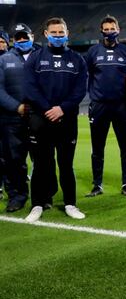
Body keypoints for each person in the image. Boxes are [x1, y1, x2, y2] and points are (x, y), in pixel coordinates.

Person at [24, 17, 88, 222]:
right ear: (46, 34)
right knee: (41, 164)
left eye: (61, 33)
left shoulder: (77, 60)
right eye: (54, 33)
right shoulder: (34, 58)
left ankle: (70, 203)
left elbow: (80, 91)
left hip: (66, 119)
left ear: (67, 33)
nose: (58, 36)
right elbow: (30, 87)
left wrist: (62, 109)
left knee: (66, 164)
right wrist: (47, 109)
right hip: (41, 119)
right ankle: (37, 205)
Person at [84, 15, 126, 197]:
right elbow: (86, 75)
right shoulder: (93, 52)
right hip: (99, 106)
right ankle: (97, 184)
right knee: (97, 148)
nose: (109, 32)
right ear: (101, 31)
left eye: (112, 29)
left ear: (118, 30)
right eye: (106, 29)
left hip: (122, 106)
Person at [0, 24, 37, 212]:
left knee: (42, 159)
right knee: (14, 159)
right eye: (18, 38)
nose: (22, 40)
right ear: (13, 40)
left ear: (32, 36)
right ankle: (17, 196)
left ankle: (42, 197)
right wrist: (17, 107)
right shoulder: (4, 60)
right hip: (12, 119)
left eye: (25, 36)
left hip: (39, 117)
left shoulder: (41, 57)